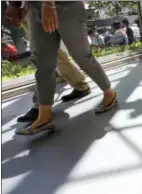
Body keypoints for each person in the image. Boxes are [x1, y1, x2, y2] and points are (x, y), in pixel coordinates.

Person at [6, 1, 118, 135]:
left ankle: (109, 93)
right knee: (43, 63)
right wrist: (15, 4)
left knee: (82, 56)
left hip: (66, 6)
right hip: (35, 8)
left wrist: (48, 4)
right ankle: (45, 115)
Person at [16, 17, 92, 123]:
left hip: (34, 10)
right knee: (53, 51)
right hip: (31, 12)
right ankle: (80, 84)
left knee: (45, 53)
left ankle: (41, 105)